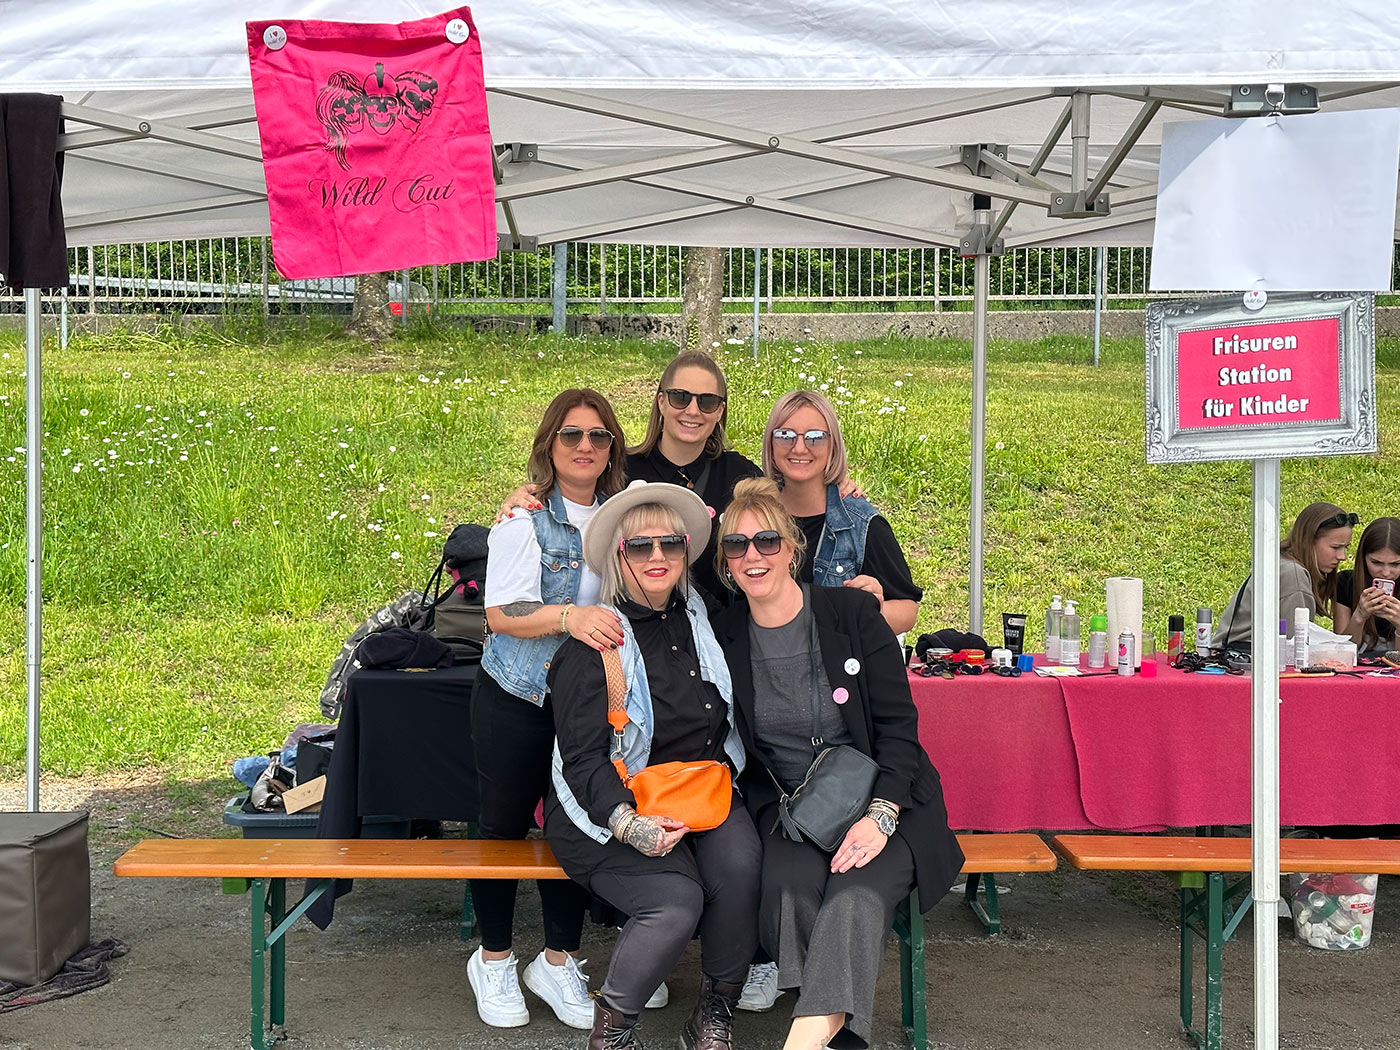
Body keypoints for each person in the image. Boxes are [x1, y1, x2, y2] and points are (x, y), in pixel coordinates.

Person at [711, 478, 964, 1050]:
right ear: (725, 561)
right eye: (736, 545)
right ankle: (831, 1033)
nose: (753, 555)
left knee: (852, 898)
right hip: (796, 813)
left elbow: (898, 726)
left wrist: (880, 816)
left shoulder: (850, 613)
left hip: (886, 798)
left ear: (792, 548)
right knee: (787, 891)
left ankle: (809, 1041)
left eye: (767, 541)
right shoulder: (723, 636)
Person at [546, 480, 760, 1050]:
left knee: (742, 870)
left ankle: (713, 1013)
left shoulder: (705, 619)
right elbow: (582, 760)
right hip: (609, 803)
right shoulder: (597, 641)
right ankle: (613, 1033)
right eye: (640, 545)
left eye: (671, 543)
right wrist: (627, 823)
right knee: (674, 901)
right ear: (619, 556)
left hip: (701, 789)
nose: (657, 555)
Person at [467, 388, 628, 1031]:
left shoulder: (624, 515)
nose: (585, 446)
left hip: (584, 705)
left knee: (576, 828)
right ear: (549, 445)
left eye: (598, 435)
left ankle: (558, 961)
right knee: (503, 828)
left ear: (612, 447)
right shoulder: (523, 520)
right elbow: (500, 614)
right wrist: (570, 617)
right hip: (516, 694)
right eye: (571, 435)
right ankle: (494, 958)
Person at [501, 352, 863, 610]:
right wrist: (527, 493)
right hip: (639, 637)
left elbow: (785, 516)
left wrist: (834, 486)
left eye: (707, 401)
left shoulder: (741, 474)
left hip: (722, 634)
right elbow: (573, 493)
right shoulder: (619, 472)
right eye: (680, 397)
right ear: (661, 402)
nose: (692, 410)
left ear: (720, 411)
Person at [761, 390, 921, 636]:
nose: (799, 448)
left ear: (833, 446)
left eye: (815, 437)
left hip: (837, 661)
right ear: (771, 445)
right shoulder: (753, 518)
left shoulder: (862, 523)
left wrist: (865, 611)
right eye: (785, 435)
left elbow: (907, 610)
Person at [1214, 502, 1357, 654]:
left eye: (1345, 547)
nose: (1342, 556)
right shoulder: (1293, 574)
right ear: (1308, 541)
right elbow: (1295, 648)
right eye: (1335, 547)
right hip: (1243, 660)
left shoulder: (1282, 563)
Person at [1334, 516, 1400, 657]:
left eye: (1395, 564)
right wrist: (1359, 616)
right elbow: (1340, 652)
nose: (1386, 573)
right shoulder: (1345, 583)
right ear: (1363, 558)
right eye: (1376, 563)